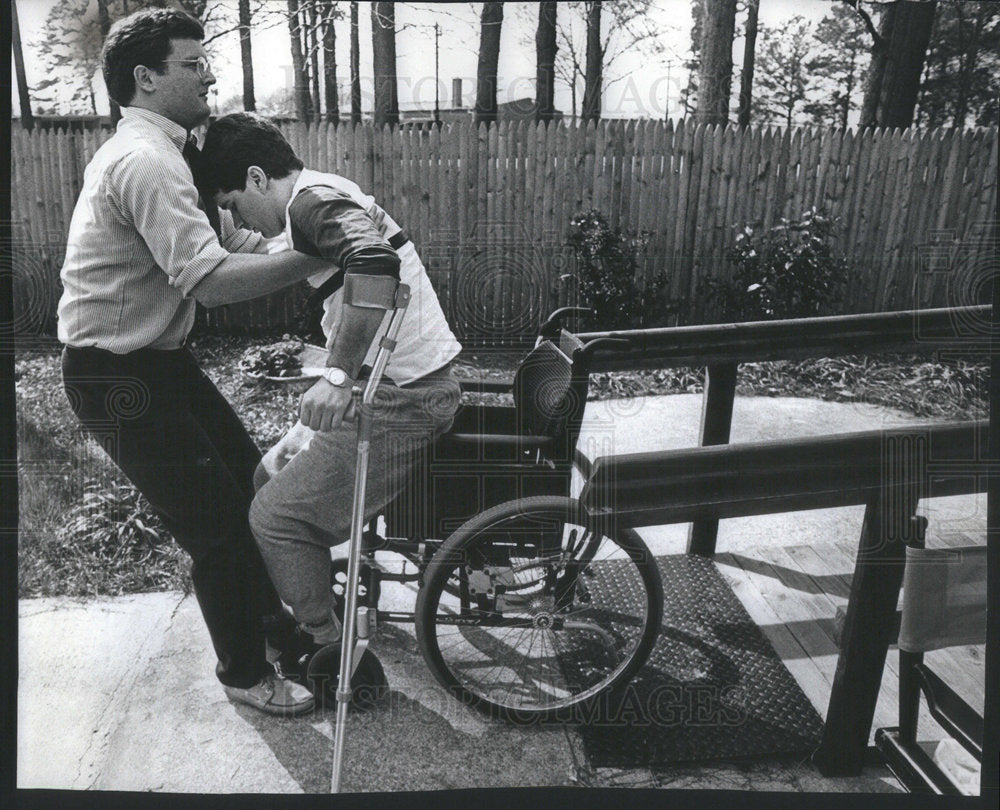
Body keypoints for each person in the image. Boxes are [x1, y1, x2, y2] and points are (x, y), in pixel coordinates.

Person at [58, 9, 329, 716]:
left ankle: (274, 633)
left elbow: (233, 247)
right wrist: (318, 256)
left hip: (159, 365)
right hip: (116, 376)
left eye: (205, 61)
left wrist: (322, 231)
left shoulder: (170, 152)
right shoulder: (144, 161)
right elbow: (207, 279)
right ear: (145, 78)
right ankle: (245, 674)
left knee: (251, 488)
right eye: (192, 64)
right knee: (217, 526)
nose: (209, 73)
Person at [195, 112, 463, 646]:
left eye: (232, 205)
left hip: (402, 398)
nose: (240, 220)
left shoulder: (310, 202)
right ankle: (319, 596)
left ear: (255, 177)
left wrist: (338, 376)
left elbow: (372, 258)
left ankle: (325, 641)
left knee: (274, 519)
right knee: (266, 477)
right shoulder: (318, 196)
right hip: (396, 386)